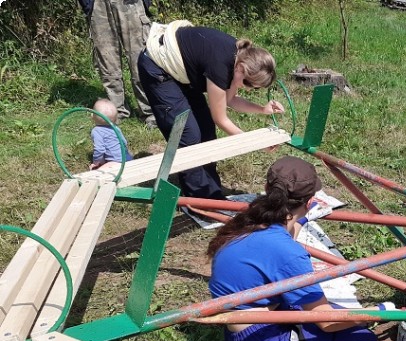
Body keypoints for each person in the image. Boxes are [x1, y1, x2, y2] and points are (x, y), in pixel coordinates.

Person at [207, 156, 378, 341]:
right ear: (309, 201)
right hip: (260, 337)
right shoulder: (288, 253)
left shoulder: (251, 218)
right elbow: (327, 323)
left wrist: (304, 216)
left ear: (268, 189)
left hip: (241, 321)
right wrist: (381, 311)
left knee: (345, 317)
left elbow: (286, 232)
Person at [138, 21, 285, 200]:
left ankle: (211, 192)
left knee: (206, 130)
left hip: (183, 73)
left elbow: (230, 100)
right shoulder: (221, 66)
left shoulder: (239, 59)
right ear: (240, 69)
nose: (247, 89)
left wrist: (263, 109)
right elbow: (221, 118)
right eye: (247, 83)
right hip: (157, 69)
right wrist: (255, 142)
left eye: (253, 88)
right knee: (188, 135)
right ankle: (197, 200)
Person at [78, 0, 155, 126]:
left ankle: (150, 112)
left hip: (129, 4)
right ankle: (116, 112)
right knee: (107, 61)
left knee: (139, 59)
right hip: (98, 5)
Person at [89, 98, 133, 170]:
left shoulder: (96, 131)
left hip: (116, 161)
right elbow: (124, 142)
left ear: (92, 116)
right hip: (127, 156)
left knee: (97, 172)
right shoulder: (115, 127)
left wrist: (96, 162)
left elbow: (99, 149)